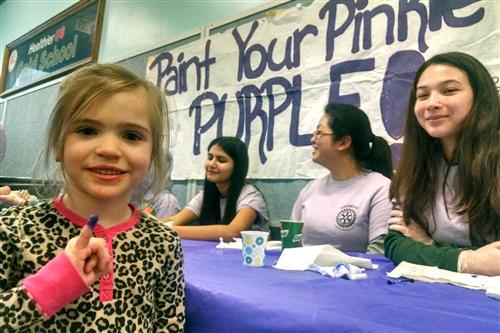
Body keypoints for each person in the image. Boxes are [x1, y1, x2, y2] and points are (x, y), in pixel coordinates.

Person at [0, 63, 185, 331]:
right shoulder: (12, 230)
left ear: (151, 154)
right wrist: (51, 285)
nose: (109, 149)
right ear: (58, 145)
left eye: (131, 135)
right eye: (87, 130)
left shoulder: (164, 242)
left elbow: (170, 325)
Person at [384, 52, 500, 276]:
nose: (432, 103)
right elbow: (395, 243)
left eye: (449, 91)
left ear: (480, 97)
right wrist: (465, 260)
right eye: (423, 95)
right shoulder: (415, 167)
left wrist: (429, 245)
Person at [291, 103, 393, 254]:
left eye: (319, 133)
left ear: (343, 142)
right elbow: (291, 240)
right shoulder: (310, 189)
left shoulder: (380, 188)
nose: (313, 140)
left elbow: (378, 253)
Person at [163, 136, 269, 241]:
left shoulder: (250, 195)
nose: (211, 164)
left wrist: (170, 229)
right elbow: (174, 220)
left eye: (221, 160)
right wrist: (150, 224)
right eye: (210, 158)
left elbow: (233, 232)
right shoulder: (205, 195)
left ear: (237, 167)